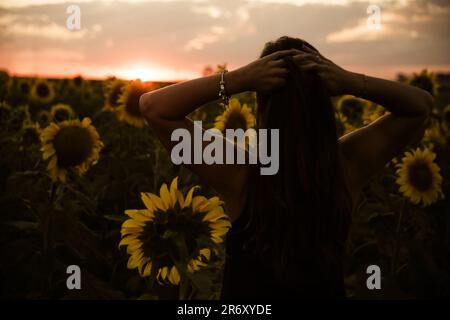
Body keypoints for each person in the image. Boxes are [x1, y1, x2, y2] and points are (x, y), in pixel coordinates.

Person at [139, 36, 432, 298]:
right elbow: (420, 106)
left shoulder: (240, 174)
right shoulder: (348, 165)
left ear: (260, 105)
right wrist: (350, 82)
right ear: (324, 99)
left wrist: (238, 79)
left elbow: (154, 108)